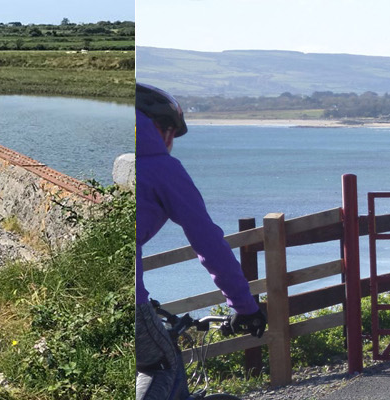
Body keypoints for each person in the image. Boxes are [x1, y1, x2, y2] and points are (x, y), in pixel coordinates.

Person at [136, 83, 268, 400]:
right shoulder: (162, 168)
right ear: (157, 127)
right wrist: (244, 307)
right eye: (170, 131)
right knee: (162, 364)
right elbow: (207, 243)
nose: (170, 143)